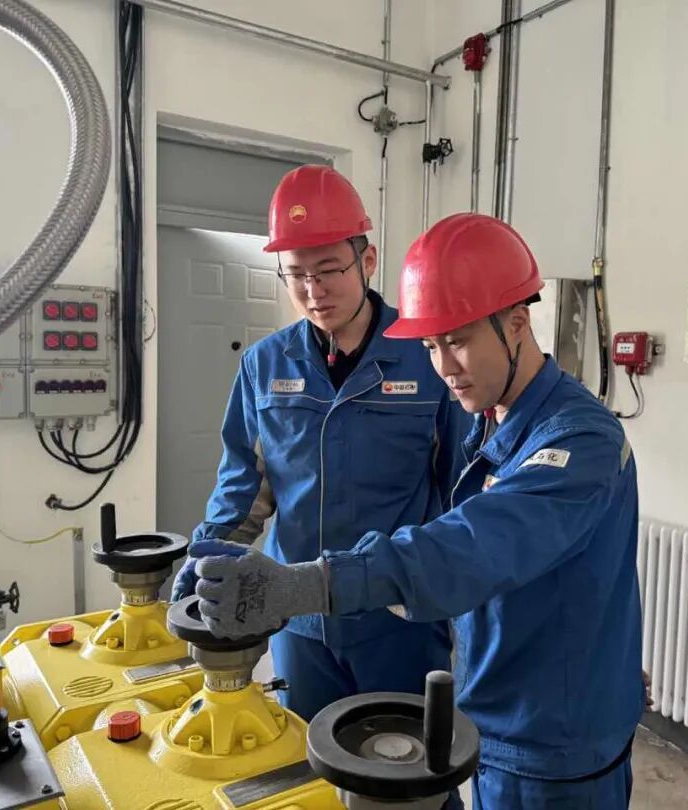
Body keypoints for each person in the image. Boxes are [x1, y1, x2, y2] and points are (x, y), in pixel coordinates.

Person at [186, 212, 645, 809]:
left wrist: (308, 584)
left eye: (458, 341)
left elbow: (470, 544)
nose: (444, 368)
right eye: (430, 346)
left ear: (517, 323)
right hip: (498, 707)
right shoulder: (494, 419)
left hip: (553, 735)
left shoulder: (580, 439)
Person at [171, 166, 471, 729]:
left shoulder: (427, 358)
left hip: (398, 618)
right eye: (296, 274)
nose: (314, 291)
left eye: (330, 269)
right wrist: (208, 552)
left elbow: (459, 491)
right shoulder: (264, 365)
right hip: (296, 615)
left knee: (403, 760)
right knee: (305, 756)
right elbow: (244, 483)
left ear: (368, 260)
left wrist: (462, 606)